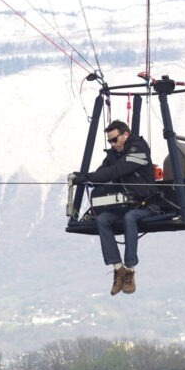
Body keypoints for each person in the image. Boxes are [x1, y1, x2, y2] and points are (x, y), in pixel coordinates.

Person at [73, 120, 159, 296]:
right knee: (103, 219)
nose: (112, 144)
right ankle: (118, 268)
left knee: (130, 218)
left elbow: (118, 170)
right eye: (110, 141)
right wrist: (86, 177)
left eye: (114, 140)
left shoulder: (139, 150)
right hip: (126, 204)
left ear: (125, 135)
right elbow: (103, 172)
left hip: (148, 204)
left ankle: (130, 270)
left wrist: (89, 177)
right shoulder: (114, 154)